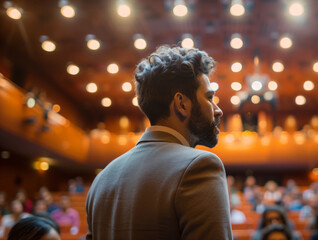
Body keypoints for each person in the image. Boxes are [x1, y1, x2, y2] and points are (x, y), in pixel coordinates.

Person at [86, 45, 231, 239]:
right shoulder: (200, 166)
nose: (218, 110)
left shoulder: (101, 180)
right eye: (209, 98)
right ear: (181, 104)